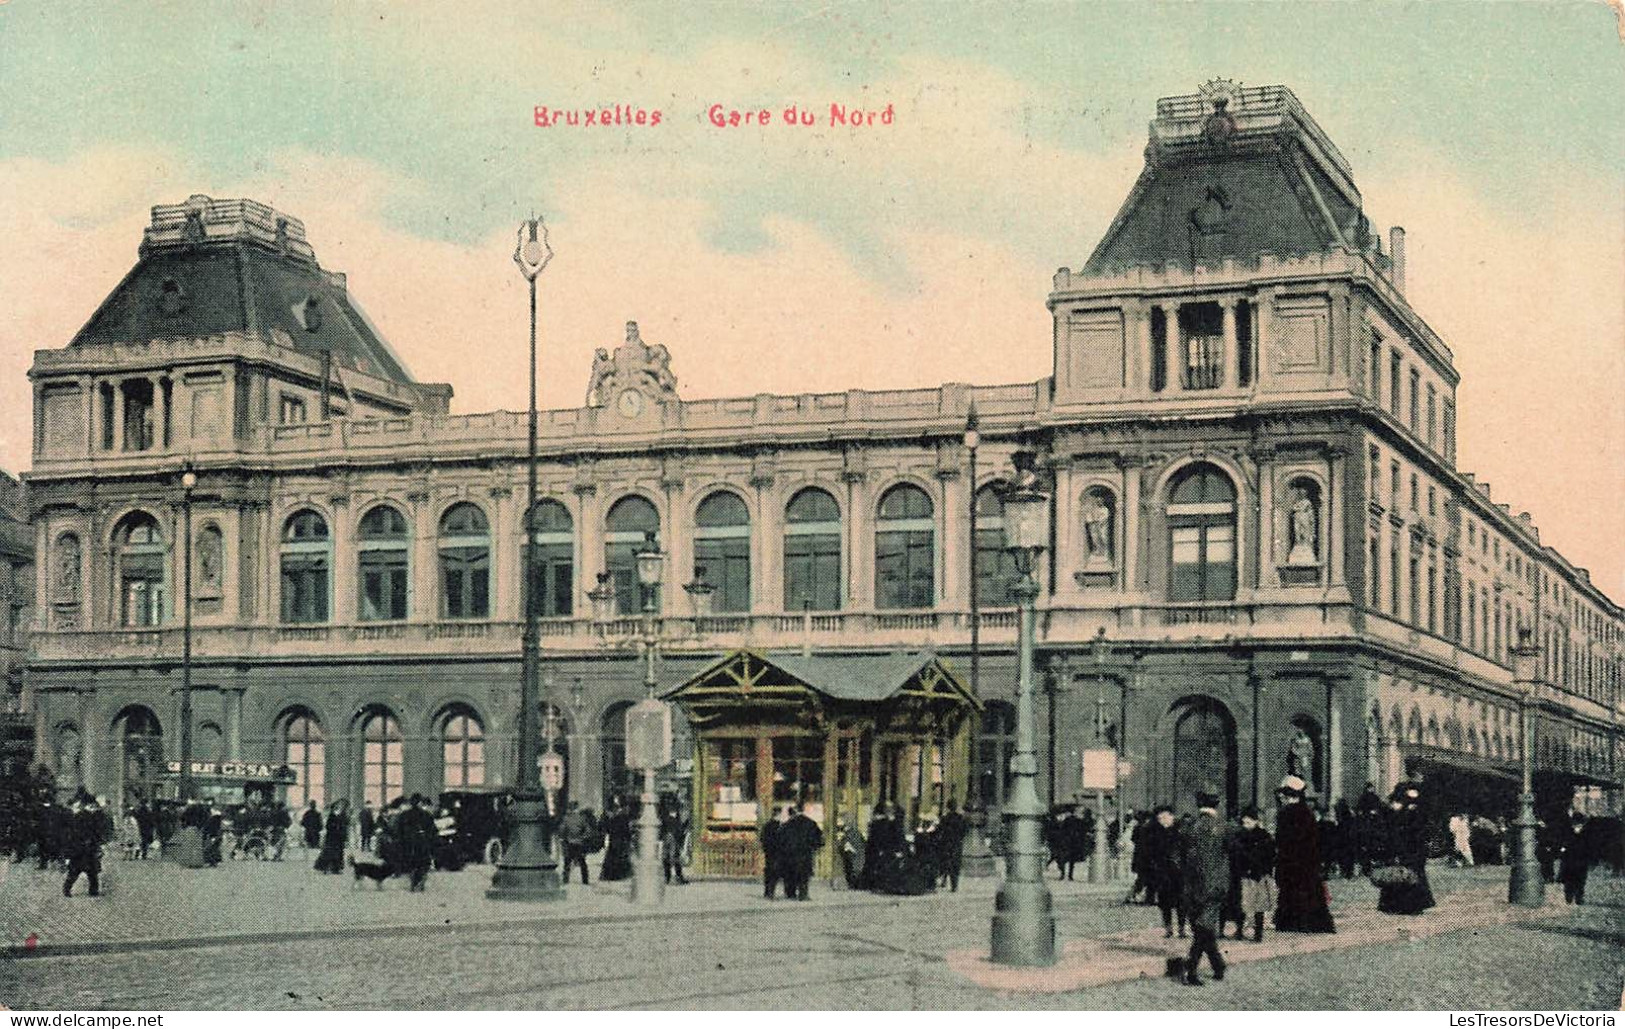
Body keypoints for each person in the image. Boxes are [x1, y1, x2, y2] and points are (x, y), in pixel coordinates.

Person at [1177, 790, 1231, 987]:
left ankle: (1217, 965)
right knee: (1204, 928)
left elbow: (1178, 856)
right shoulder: (1224, 827)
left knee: (1202, 927)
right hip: (1214, 885)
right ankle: (1191, 969)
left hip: (1191, 885)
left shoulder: (1188, 826)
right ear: (1217, 805)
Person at [1273, 775, 1335, 933]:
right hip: (1307, 861)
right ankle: (1310, 922)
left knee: (1290, 891)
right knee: (1309, 891)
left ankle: (1291, 923)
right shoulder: (1307, 813)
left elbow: (1281, 839)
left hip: (1290, 860)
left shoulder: (1284, 814)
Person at [1372, 782, 1434, 914]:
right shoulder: (1404, 808)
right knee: (1406, 875)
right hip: (1408, 846)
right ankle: (1409, 905)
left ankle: (1398, 905)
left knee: (1404, 875)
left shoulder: (1403, 807)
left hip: (1406, 846)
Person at [1227, 806, 1275, 943]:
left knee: (1259, 905)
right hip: (1243, 875)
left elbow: (1270, 855)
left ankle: (1258, 933)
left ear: (1256, 821)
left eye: (1249, 822)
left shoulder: (1264, 836)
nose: (1246, 825)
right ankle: (1240, 930)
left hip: (1258, 875)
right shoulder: (1239, 836)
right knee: (1243, 904)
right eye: (1244, 823)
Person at [1142, 806, 1185, 938]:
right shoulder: (1154, 833)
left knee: (1181, 902)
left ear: (1172, 816)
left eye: (1165, 817)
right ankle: (1168, 928)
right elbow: (1149, 853)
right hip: (1162, 872)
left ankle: (1182, 928)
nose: (1163, 821)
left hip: (1178, 872)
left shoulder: (1181, 831)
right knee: (1164, 902)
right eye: (1160, 818)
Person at [62, 793, 107, 898]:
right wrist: (98, 843)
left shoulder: (77, 816)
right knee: (91, 872)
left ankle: (67, 888)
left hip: (79, 848)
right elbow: (96, 832)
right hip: (88, 847)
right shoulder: (91, 817)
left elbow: (72, 834)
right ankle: (93, 891)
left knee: (75, 871)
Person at [780, 805, 824, 900]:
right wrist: (814, 848)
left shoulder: (786, 825)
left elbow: (780, 840)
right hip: (805, 854)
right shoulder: (810, 823)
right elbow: (819, 839)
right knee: (804, 875)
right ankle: (803, 894)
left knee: (790, 874)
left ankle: (790, 893)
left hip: (789, 855)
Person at [396, 794, 438, 891]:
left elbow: (398, 831)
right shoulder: (427, 815)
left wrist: (402, 842)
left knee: (411, 864)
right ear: (420, 803)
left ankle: (413, 883)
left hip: (408, 844)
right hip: (422, 844)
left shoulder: (403, 815)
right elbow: (433, 831)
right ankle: (420, 883)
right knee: (423, 864)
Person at [1557, 811, 1591, 905]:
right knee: (1569, 880)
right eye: (1576, 825)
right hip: (1570, 861)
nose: (1577, 827)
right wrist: (1563, 849)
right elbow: (1564, 844)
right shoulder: (1568, 832)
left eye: (1580, 825)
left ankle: (1579, 897)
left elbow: (1589, 846)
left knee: (1581, 880)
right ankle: (1569, 897)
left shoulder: (1585, 834)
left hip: (1581, 861)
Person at [658, 790, 689, 885]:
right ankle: (677, 877)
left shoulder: (663, 810)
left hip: (668, 834)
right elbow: (677, 823)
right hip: (671, 834)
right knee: (673, 856)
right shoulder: (672, 809)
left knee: (668, 857)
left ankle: (668, 877)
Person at [559, 801, 594, 885]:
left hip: (569, 843)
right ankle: (585, 880)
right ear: (577, 808)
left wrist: (564, 838)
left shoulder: (566, 818)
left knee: (567, 862)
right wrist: (583, 838)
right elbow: (588, 831)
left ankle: (565, 879)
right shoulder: (581, 818)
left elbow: (562, 830)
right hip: (579, 843)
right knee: (582, 863)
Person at [600, 796, 633, 882]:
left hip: (617, 839)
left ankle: (613, 875)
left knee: (615, 857)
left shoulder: (618, 816)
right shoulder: (621, 816)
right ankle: (616, 875)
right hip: (617, 839)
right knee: (617, 857)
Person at [936, 801, 967, 892]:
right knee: (955, 864)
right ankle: (954, 885)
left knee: (945, 862)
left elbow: (940, 830)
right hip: (957, 843)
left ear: (948, 807)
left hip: (946, 843)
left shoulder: (945, 818)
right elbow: (964, 831)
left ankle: (944, 880)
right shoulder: (960, 818)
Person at [760, 804, 789, 899]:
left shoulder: (767, 826)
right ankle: (781, 892)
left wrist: (766, 848)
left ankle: (768, 892)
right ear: (779, 814)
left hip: (769, 853)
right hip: (779, 853)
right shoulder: (782, 827)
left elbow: (762, 839)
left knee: (769, 872)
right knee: (779, 873)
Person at [314, 799, 348, 874]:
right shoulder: (332, 815)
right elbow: (328, 826)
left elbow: (344, 825)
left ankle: (335, 868)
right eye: (337, 806)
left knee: (337, 853)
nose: (339, 807)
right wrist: (336, 827)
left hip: (338, 837)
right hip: (332, 837)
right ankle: (328, 868)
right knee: (330, 853)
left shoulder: (341, 815)